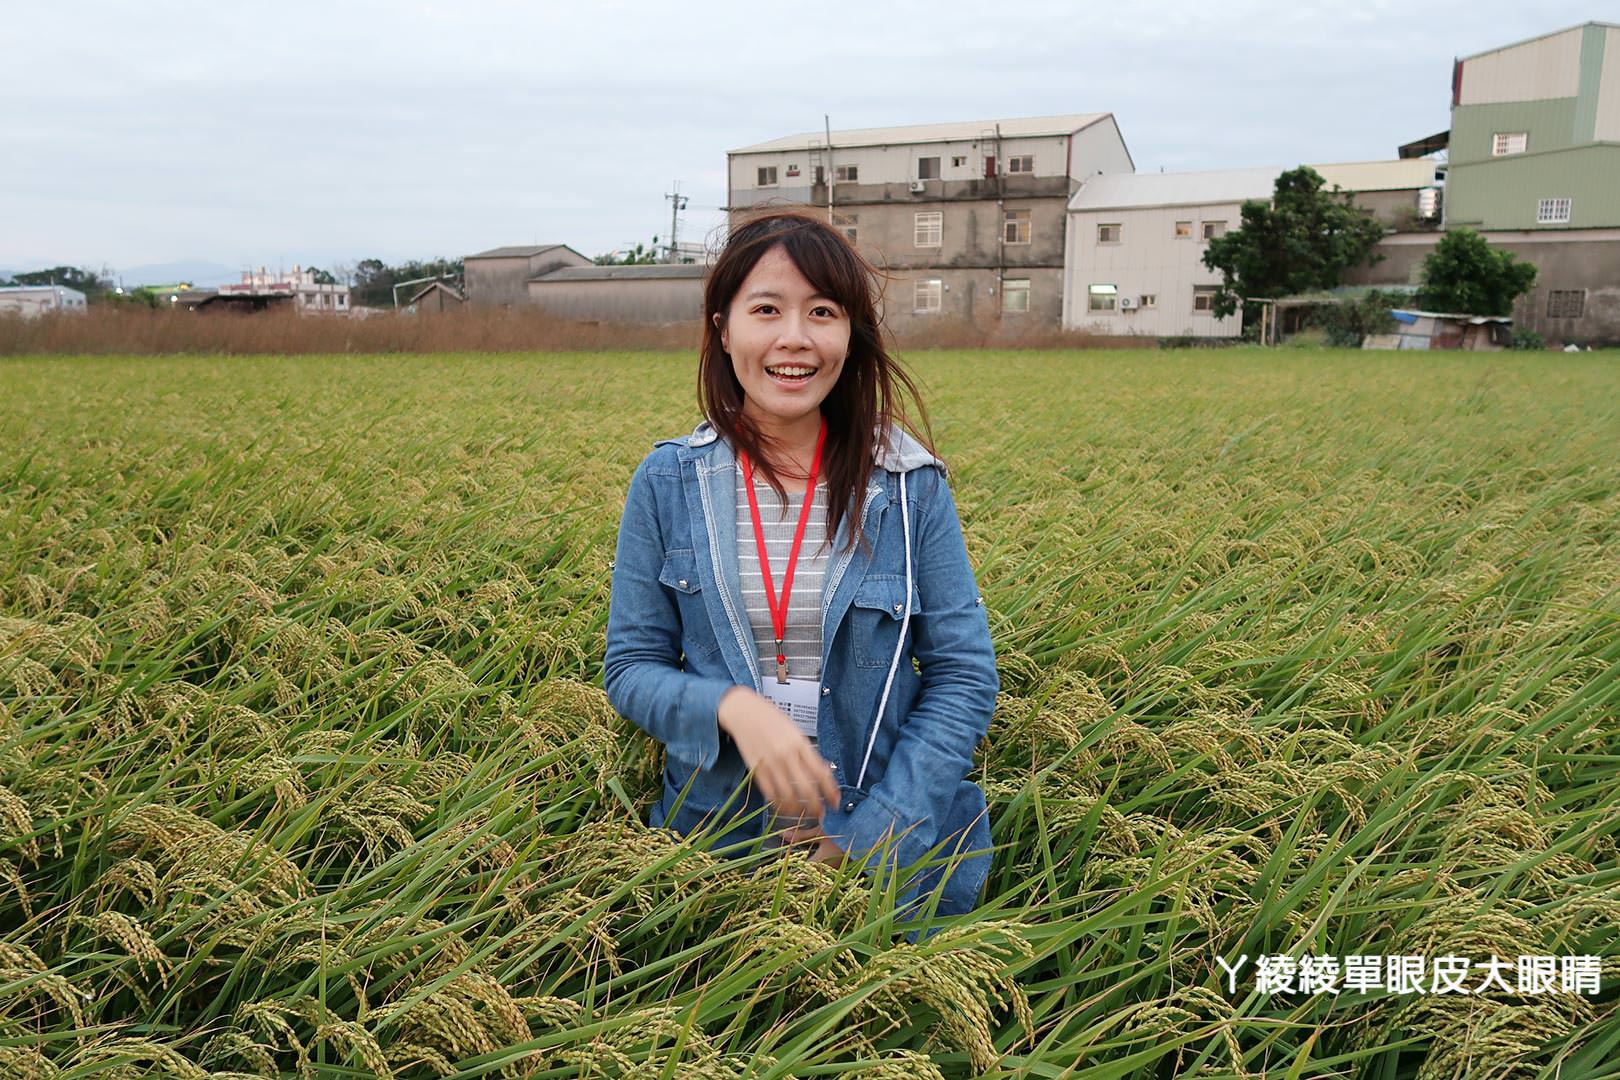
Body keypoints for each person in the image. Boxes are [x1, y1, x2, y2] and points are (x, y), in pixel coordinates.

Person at [603, 209, 999, 924]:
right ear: (724, 330)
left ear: (850, 334)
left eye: (822, 311)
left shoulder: (908, 488)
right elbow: (630, 668)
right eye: (766, 310)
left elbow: (964, 674)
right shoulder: (667, 484)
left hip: (889, 847)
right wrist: (733, 708)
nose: (794, 337)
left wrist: (870, 836)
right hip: (715, 844)